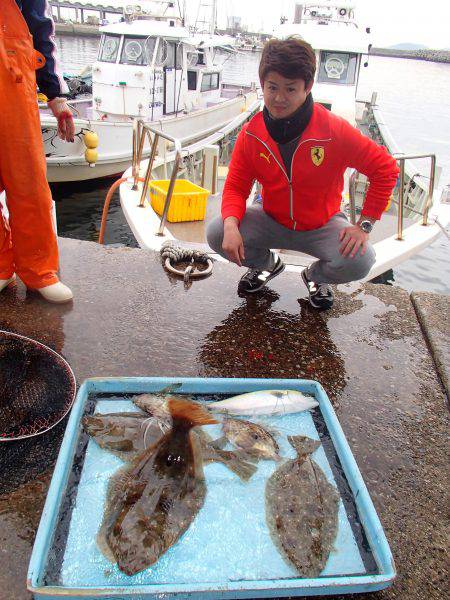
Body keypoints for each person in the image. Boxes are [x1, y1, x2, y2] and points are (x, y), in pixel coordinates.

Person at [207, 37, 399, 310]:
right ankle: (266, 266)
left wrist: (364, 225)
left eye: (290, 89)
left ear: (307, 88)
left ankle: (316, 278)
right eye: (272, 87)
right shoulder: (252, 134)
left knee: (362, 260)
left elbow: (385, 168)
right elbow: (237, 186)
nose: (279, 98)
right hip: (271, 217)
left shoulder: (334, 130)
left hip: (322, 223)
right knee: (216, 232)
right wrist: (230, 226)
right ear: (262, 84)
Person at [0, 0, 75, 303]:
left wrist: (55, 95)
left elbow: (40, 28)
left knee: (28, 180)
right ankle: (1, 265)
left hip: (13, 76)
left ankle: (39, 268)